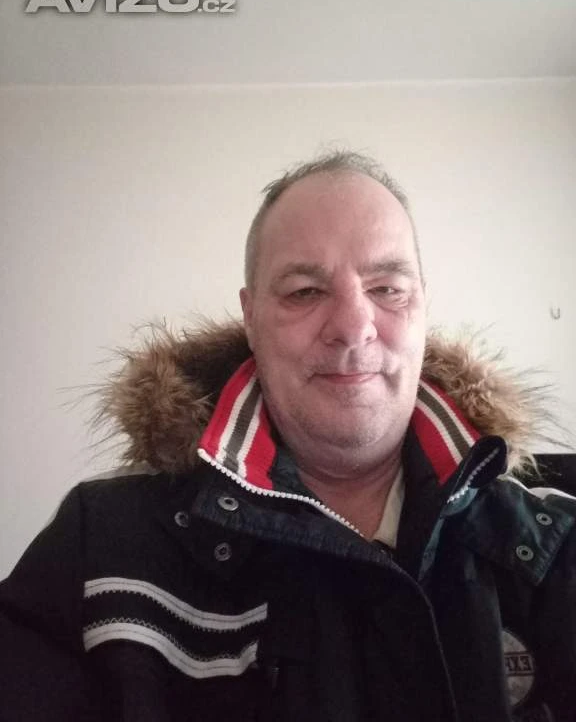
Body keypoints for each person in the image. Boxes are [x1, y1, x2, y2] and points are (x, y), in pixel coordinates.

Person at [1, 151, 575, 722]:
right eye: (304, 291)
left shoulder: (555, 540)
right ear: (250, 317)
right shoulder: (99, 545)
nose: (353, 327)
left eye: (387, 288)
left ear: (423, 305)